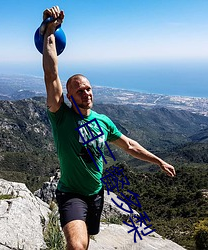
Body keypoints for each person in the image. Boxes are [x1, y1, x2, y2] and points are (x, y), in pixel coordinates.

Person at [41, 6, 176, 250]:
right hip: (71, 194)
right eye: (79, 90)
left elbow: (130, 145)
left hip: (96, 194)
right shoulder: (61, 117)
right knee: (76, 246)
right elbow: (51, 74)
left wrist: (159, 161)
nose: (86, 92)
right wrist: (49, 31)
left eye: (88, 88)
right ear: (69, 96)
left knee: (87, 241)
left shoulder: (104, 121)